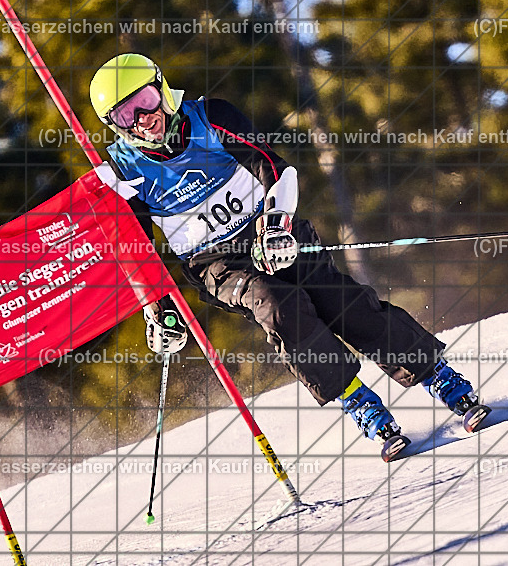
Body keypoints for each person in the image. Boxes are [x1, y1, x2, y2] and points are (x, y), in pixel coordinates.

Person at [88, 53, 487, 448]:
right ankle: (358, 400)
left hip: (268, 227)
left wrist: (276, 224)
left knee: (338, 302)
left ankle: (436, 375)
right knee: (278, 307)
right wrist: (157, 309)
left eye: (145, 102)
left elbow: (276, 170)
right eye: (125, 116)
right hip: (217, 263)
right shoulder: (124, 170)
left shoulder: (211, 117)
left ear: (161, 89)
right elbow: (135, 247)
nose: (143, 119)